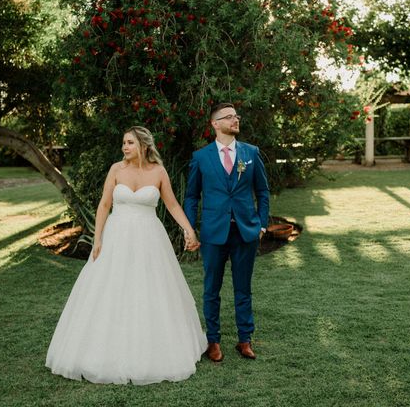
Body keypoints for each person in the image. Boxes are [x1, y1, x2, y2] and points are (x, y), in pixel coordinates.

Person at [46, 126, 206, 385]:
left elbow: (172, 204)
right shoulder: (116, 170)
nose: (124, 147)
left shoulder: (158, 172)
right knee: (110, 289)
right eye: (123, 143)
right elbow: (104, 205)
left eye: (130, 143)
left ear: (143, 146)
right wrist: (98, 238)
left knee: (150, 290)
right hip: (117, 236)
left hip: (149, 239)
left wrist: (189, 230)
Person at [184, 102, 270, 362]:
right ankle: (213, 341)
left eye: (236, 116)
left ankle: (245, 340)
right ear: (215, 124)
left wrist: (262, 223)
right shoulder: (201, 157)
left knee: (243, 289)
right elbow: (191, 196)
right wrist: (191, 230)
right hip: (213, 233)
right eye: (229, 117)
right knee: (212, 289)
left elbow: (263, 191)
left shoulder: (251, 153)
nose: (235, 120)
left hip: (246, 232)